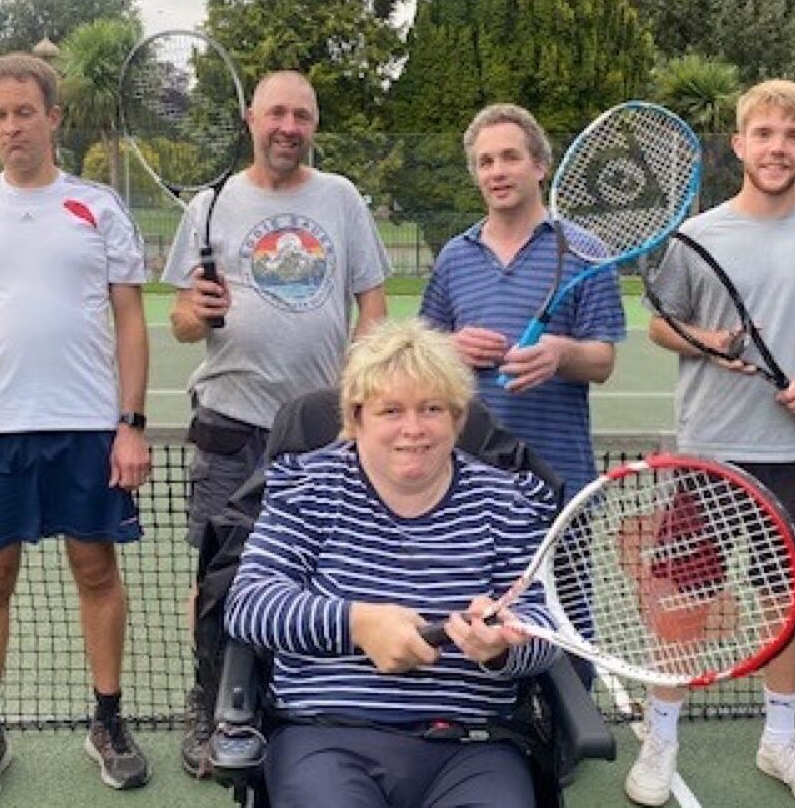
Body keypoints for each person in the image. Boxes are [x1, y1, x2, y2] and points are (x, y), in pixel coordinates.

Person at [0, 53, 152, 801]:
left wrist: (130, 423)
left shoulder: (99, 206)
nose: (11, 126)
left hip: (85, 425)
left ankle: (107, 719)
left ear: (53, 116)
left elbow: (131, 321)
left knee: (97, 572)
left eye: (24, 111)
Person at [630, 80, 795, 808]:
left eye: (792, 137)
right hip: (710, 451)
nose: (777, 148)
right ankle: (662, 735)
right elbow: (662, 323)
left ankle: (780, 738)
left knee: (783, 604)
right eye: (763, 134)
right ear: (739, 144)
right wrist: (705, 341)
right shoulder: (699, 235)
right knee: (682, 601)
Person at [224, 319, 560, 808]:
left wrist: (502, 648)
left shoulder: (507, 501)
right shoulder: (309, 488)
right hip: (327, 737)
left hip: (474, 745)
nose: (413, 429)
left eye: (431, 409)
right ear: (356, 418)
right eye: (391, 411)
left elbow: (544, 626)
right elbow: (249, 604)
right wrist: (357, 623)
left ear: (457, 418)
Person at [161, 69, 390, 777]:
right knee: (220, 578)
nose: (289, 126)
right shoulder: (208, 205)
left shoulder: (341, 197)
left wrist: (356, 400)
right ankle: (212, 709)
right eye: (277, 113)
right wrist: (193, 313)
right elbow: (176, 320)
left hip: (322, 433)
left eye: (303, 116)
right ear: (249, 118)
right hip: (229, 425)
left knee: (323, 575)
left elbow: (373, 310)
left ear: (314, 126)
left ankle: (299, 707)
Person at [419, 102, 624, 504]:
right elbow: (422, 351)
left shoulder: (587, 252)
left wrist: (560, 354)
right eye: (485, 162)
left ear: (540, 166)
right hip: (466, 483)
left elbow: (602, 361)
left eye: (510, 157)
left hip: (559, 480)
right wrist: (450, 348)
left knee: (565, 572)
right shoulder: (454, 256)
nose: (497, 172)